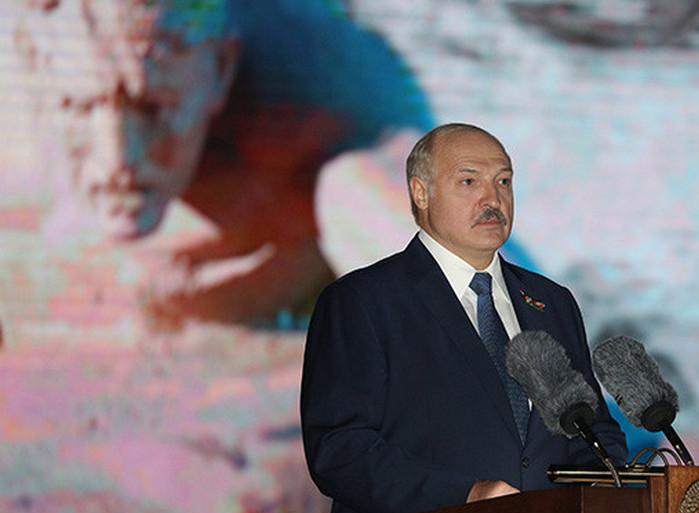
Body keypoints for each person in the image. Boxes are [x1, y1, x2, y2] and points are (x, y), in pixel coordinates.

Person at [15, 0, 433, 329]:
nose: (116, 161)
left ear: (220, 69)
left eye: (155, 110)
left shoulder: (329, 94)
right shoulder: (33, 63)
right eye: (78, 106)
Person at [299, 123, 628, 513]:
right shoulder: (363, 301)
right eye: (469, 181)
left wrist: (605, 492)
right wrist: (463, 498)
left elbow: (590, 431)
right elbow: (340, 449)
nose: (493, 199)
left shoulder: (551, 302)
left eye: (503, 181)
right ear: (421, 192)